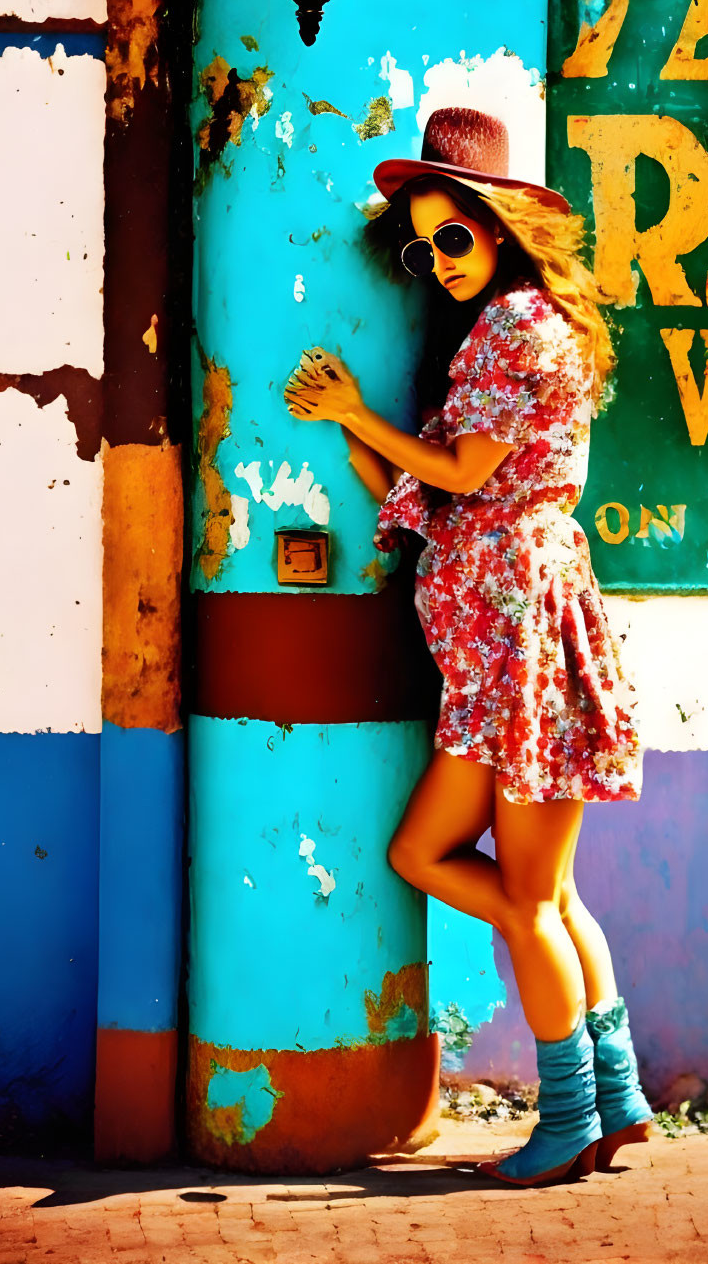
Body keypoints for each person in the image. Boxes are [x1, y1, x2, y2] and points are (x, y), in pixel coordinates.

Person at [282, 106, 651, 1187]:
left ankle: (571, 1117)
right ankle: (618, 1092)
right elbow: (426, 497)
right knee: (476, 871)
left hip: (516, 644)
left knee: (533, 901)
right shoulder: (507, 331)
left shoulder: (518, 329)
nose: (437, 261)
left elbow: (460, 475)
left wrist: (358, 408)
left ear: (500, 228)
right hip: (497, 653)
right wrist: (353, 430)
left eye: (454, 237)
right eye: (421, 244)